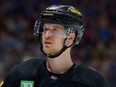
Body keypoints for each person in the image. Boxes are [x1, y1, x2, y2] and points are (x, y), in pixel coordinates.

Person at [0, 5, 107, 87]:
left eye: (55, 30)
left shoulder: (92, 82)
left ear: (71, 37)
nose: (47, 35)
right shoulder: (22, 73)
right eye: (45, 29)